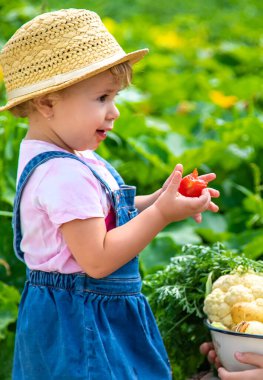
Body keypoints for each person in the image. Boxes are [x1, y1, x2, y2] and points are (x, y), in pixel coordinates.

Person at [0, 9, 220, 380]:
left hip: (76, 315)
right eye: (102, 98)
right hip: (83, 323)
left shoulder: (68, 157)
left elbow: (98, 211)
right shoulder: (62, 173)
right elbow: (98, 259)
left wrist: (159, 200)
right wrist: (160, 216)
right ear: (48, 103)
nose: (114, 112)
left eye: (114, 97)